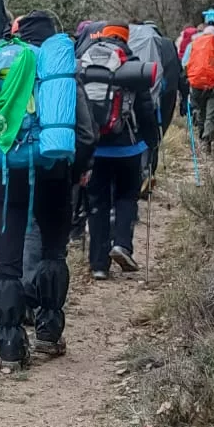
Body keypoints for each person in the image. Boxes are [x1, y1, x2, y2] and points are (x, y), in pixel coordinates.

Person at [0, 9, 95, 373]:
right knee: (54, 253)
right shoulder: (60, 73)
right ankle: (48, 332)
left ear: (19, 34)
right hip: (54, 172)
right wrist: (74, 170)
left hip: (7, 175)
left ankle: (9, 346)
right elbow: (86, 134)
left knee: (7, 264)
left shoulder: (4, 64)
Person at [83, 24, 161, 280]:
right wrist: (152, 141)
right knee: (127, 196)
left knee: (97, 203)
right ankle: (122, 245)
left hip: (95, 148)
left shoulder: (86, 61)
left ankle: (98, 264)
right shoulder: (131, 65)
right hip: (128, 147)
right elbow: (146, 109)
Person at [185, 9, 214, 152]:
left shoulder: (193, 45)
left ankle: (200, 138)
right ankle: (207, 142)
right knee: (211, 114)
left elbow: (185, 63)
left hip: (197, 85)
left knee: (201, 112)